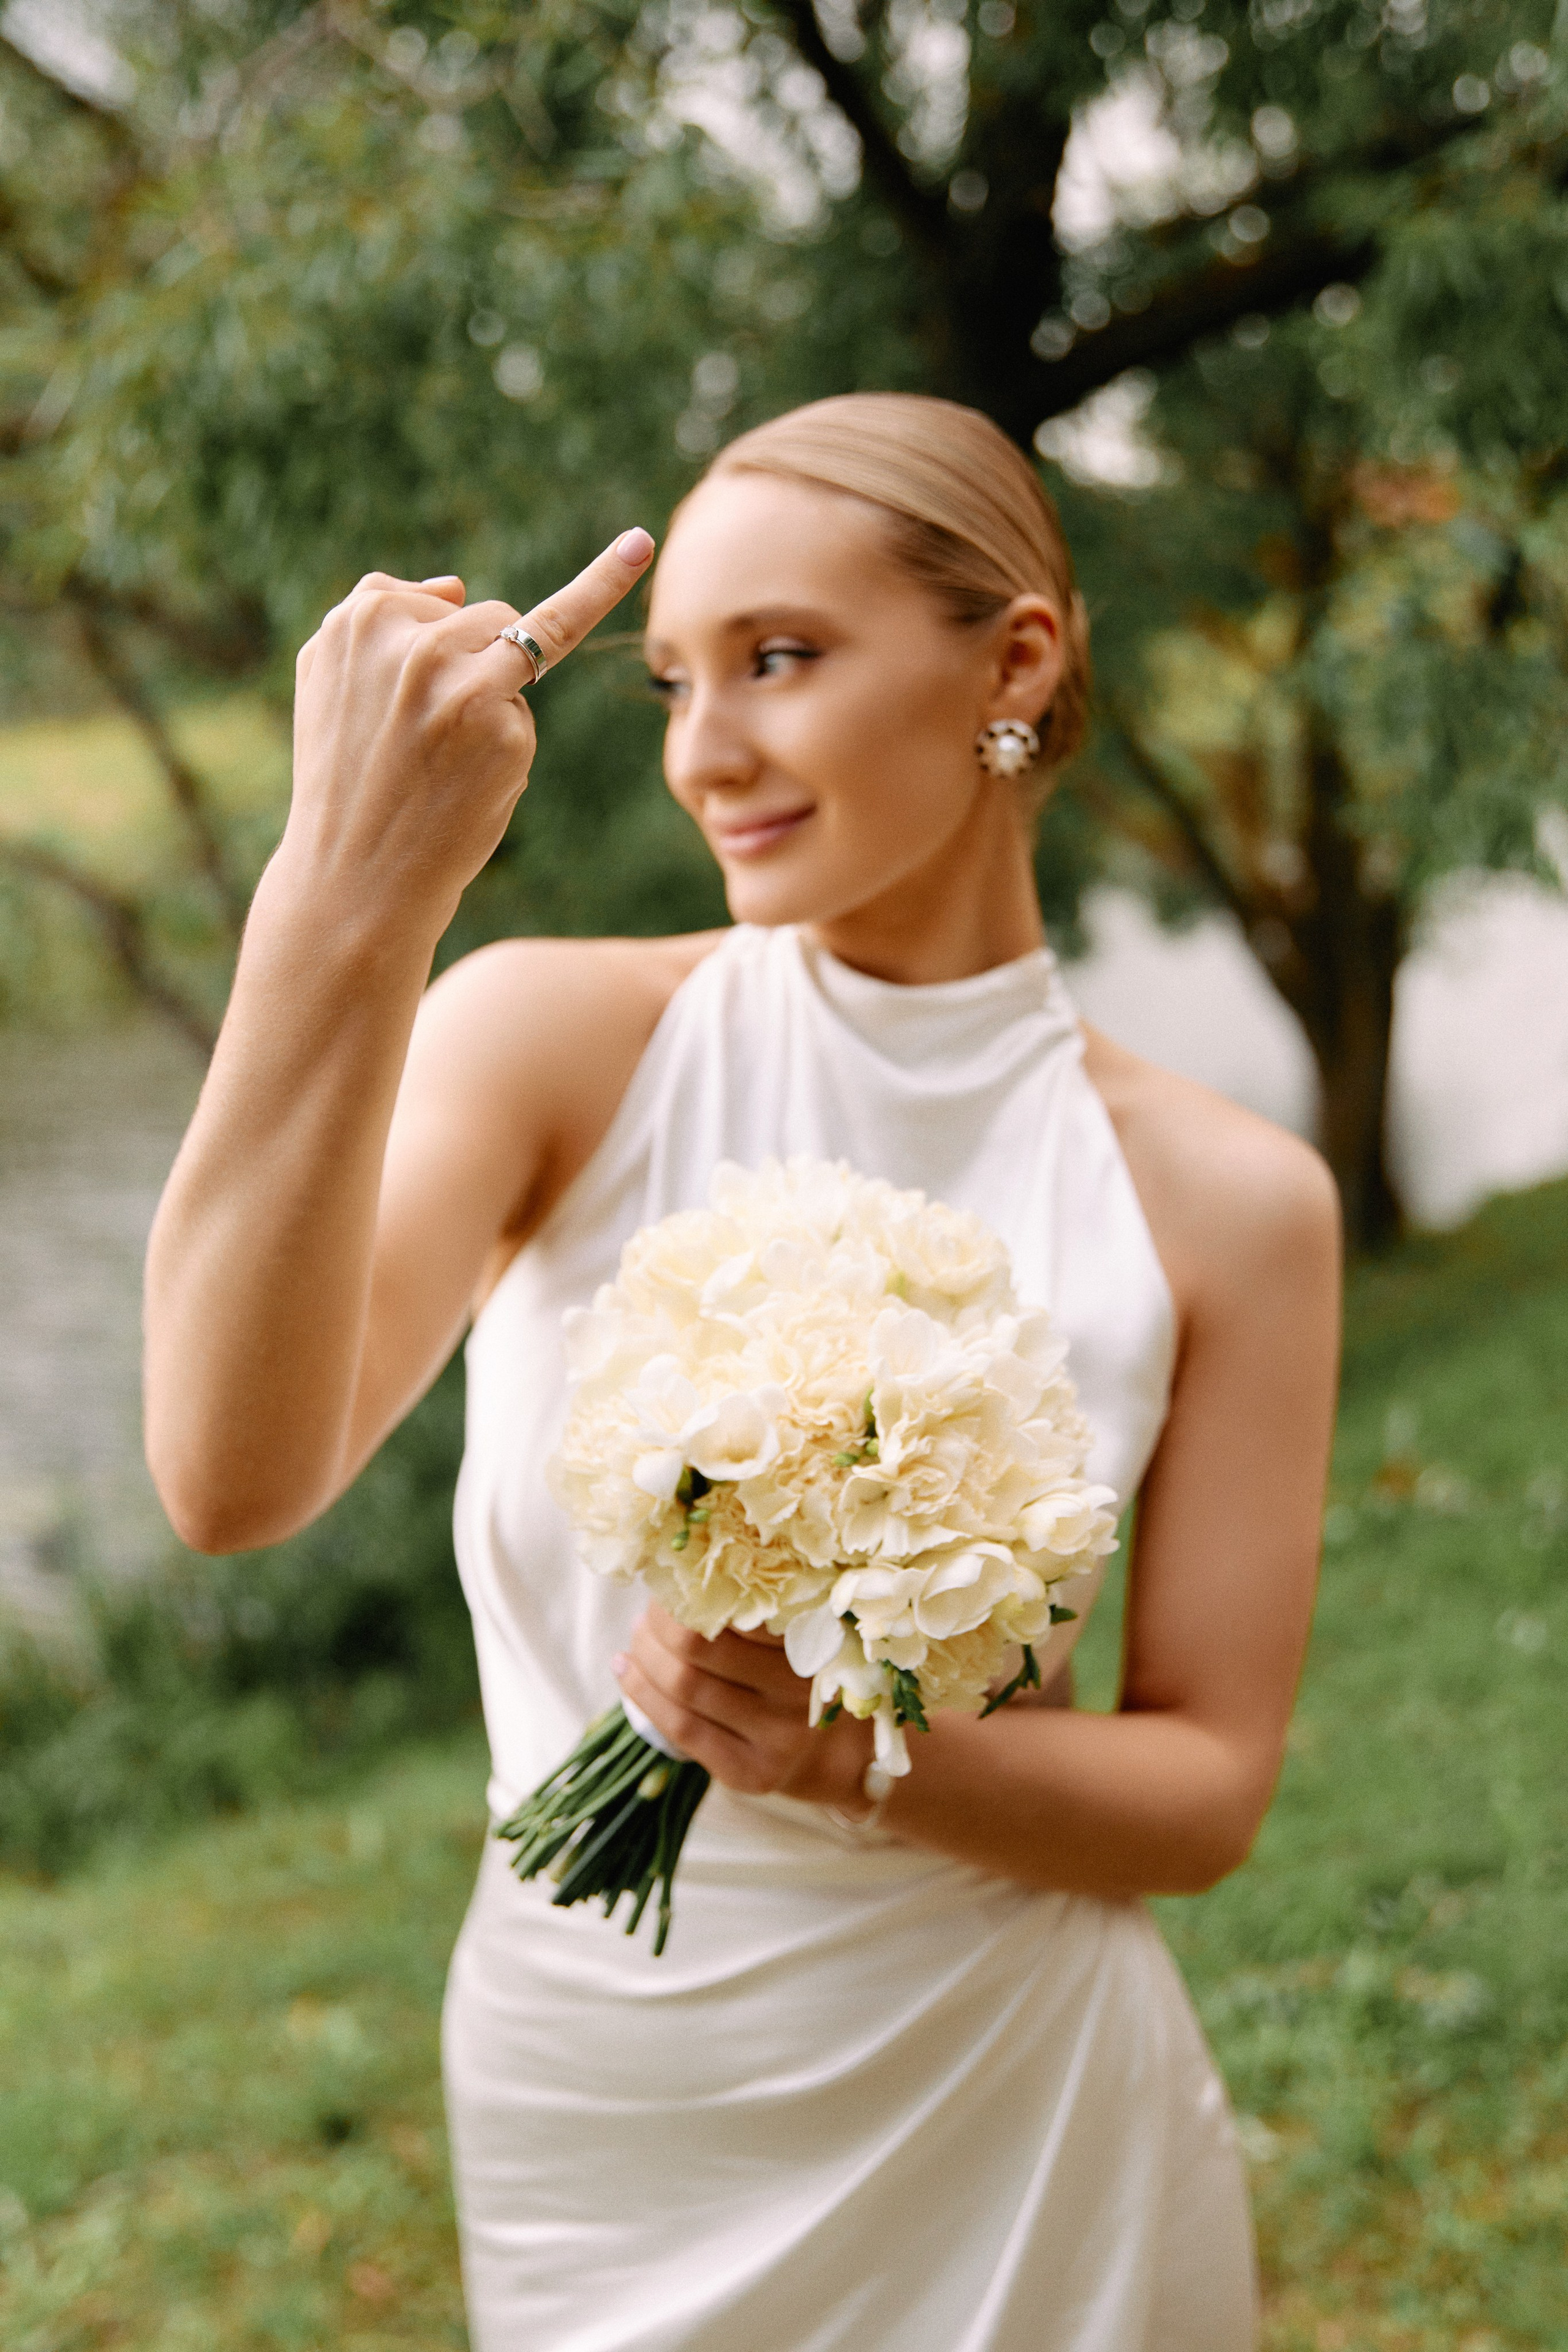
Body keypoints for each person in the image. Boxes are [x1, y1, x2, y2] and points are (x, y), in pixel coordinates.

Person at [144, 393, 1340, 2351]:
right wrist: (346, 896)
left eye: (779, 660)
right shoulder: (548, 1038)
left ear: (1012, 663)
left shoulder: (1233, 1203)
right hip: (612, 2097)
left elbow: (1205, 1787)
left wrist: (851, 1749)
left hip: (1012, 2109)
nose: (707, 752)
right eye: (675, 681)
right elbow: (227, 1476)